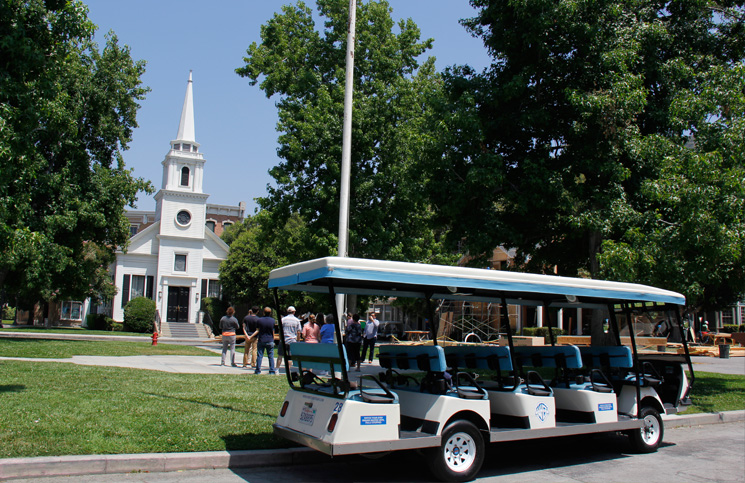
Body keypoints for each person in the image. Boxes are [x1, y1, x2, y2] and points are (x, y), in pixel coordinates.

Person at [252, 307, 277, 375]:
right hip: (270, 339)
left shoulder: (259, 320)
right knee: (271, 356)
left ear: (263, 312)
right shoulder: (272, 320)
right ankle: (272, 370)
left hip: (261, 339)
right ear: (270, 313)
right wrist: (273, 339)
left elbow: (258, 329)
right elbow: (273, 331)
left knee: (260, 355)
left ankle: (258, 370)